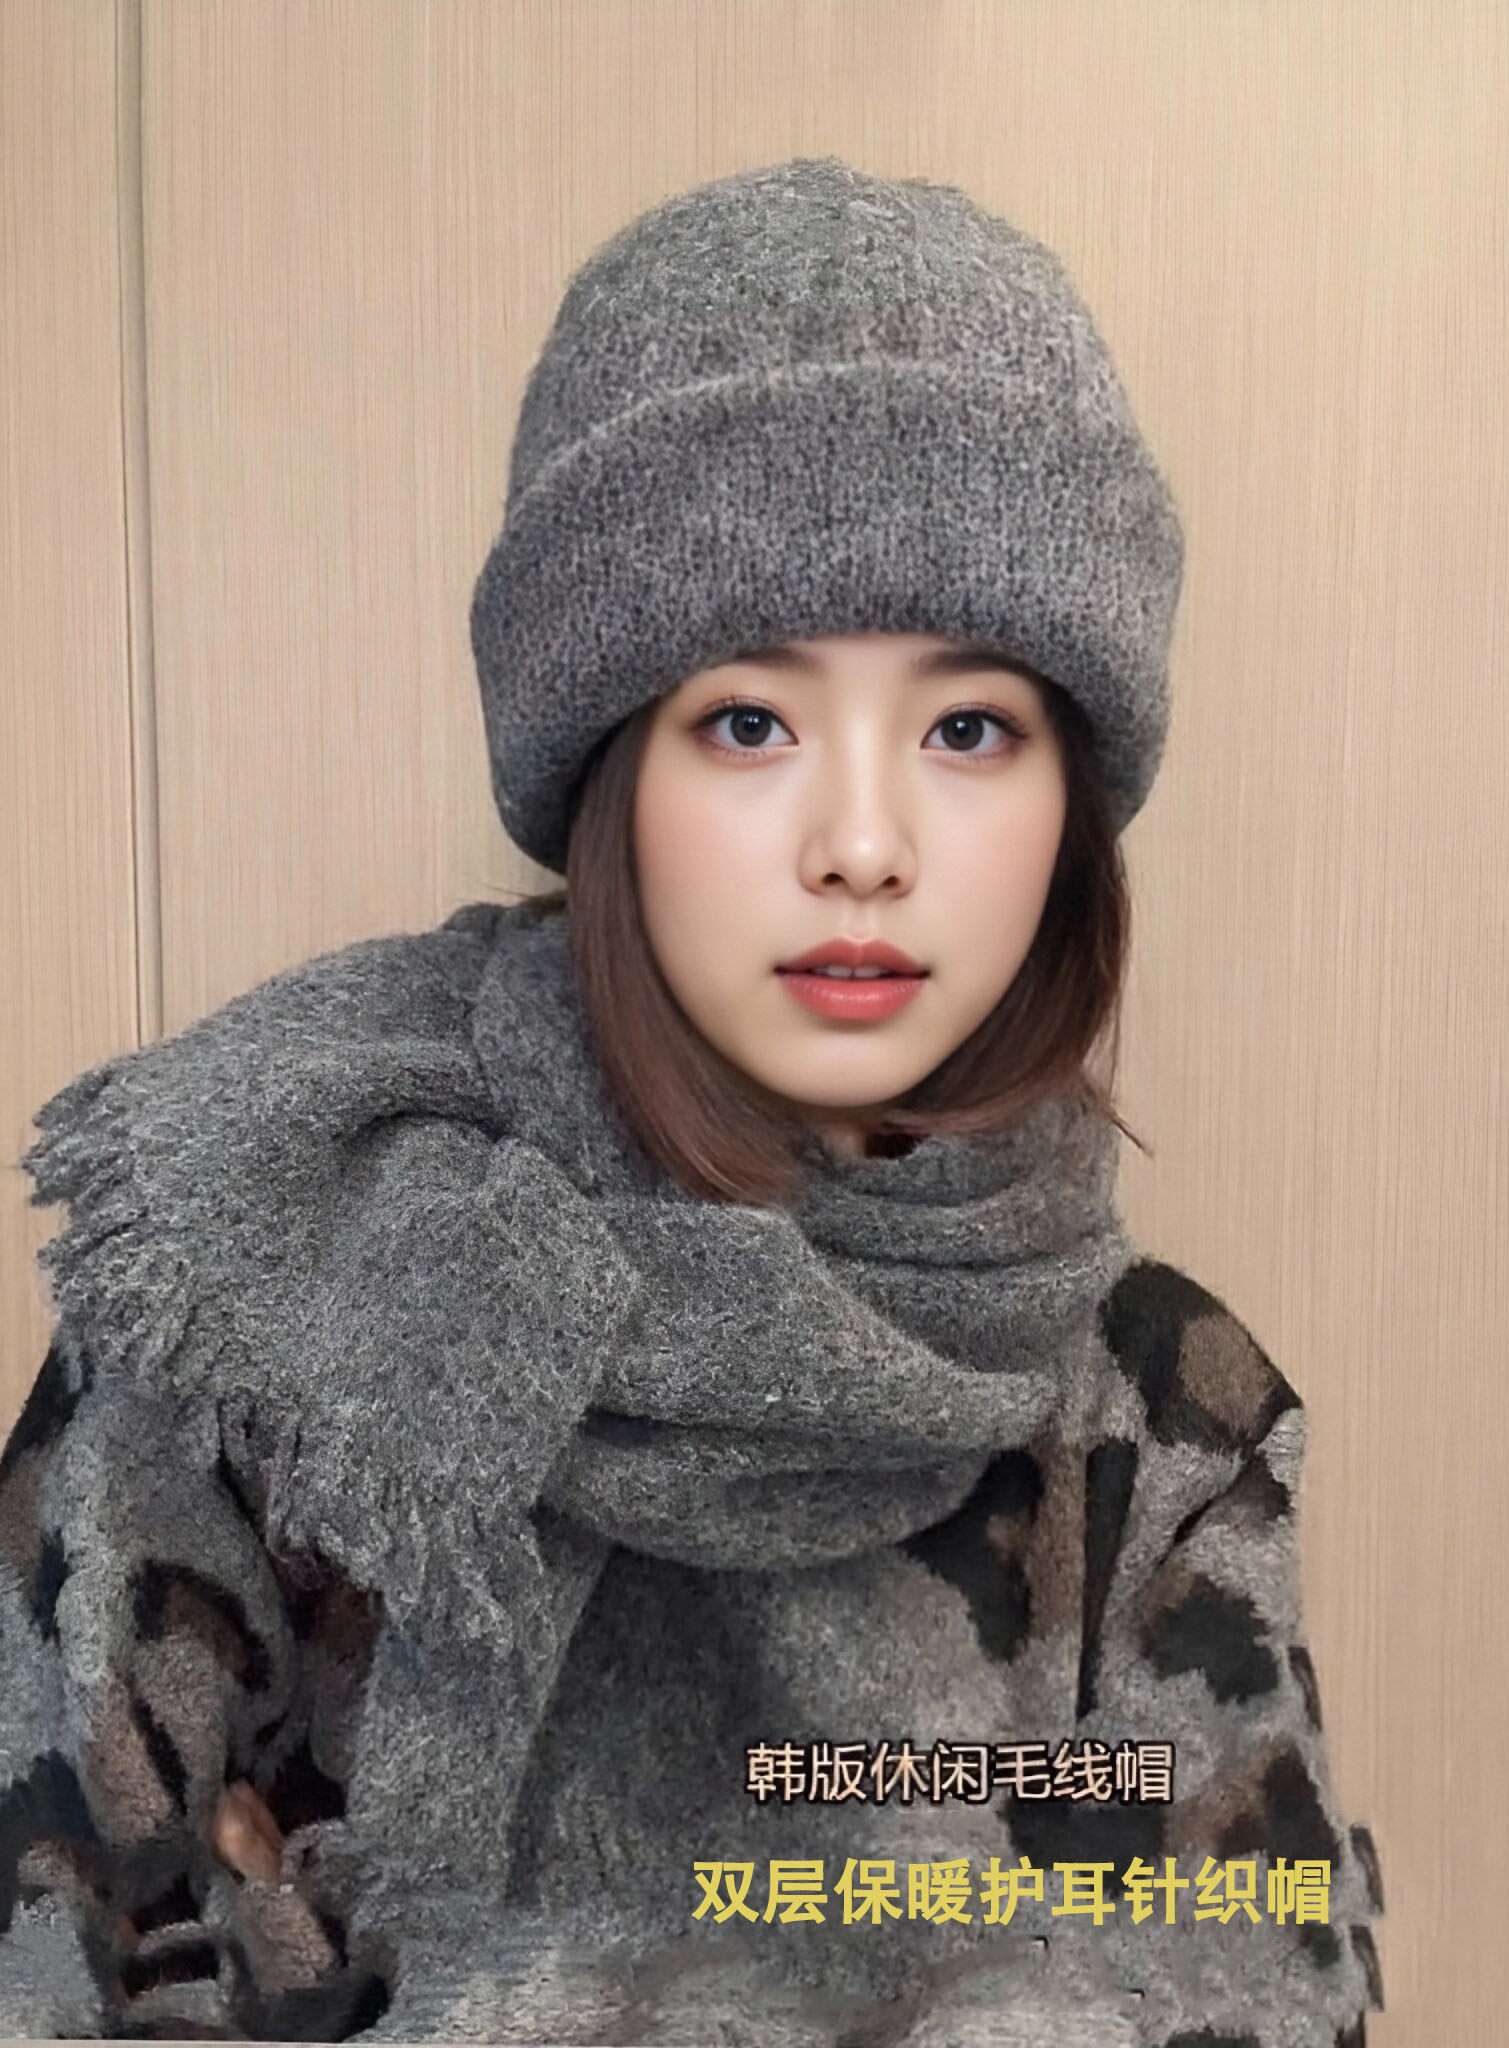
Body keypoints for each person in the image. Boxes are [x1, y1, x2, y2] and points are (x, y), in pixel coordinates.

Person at [0, 157, 1384, 2043]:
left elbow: (1261, 1969)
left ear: (1073, 801)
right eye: (749, 721)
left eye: (969, 728)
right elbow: (55, 1953)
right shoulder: (269, 1301)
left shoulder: (1164, 1415)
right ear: (611, 774)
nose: (865, 844)